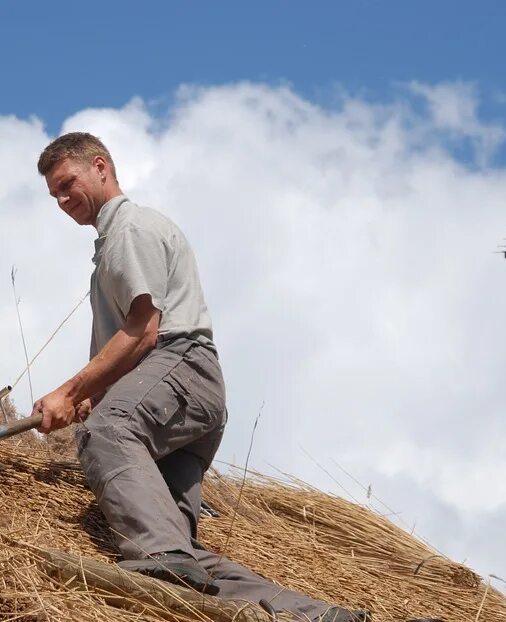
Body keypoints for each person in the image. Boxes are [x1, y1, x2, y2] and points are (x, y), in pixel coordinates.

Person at [30, 132, 365, 622]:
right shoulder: (116, 240)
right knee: (176, 541)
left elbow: (145, 331)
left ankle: (163, 562)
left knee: (108, 434)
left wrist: (73, 391)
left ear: (100, 167)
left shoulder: (129, 229)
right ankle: (312, 615)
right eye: (54, 195)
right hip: (178, 398)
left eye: (67, 184)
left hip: (179, 368)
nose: (62, 201)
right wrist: (94, 393)